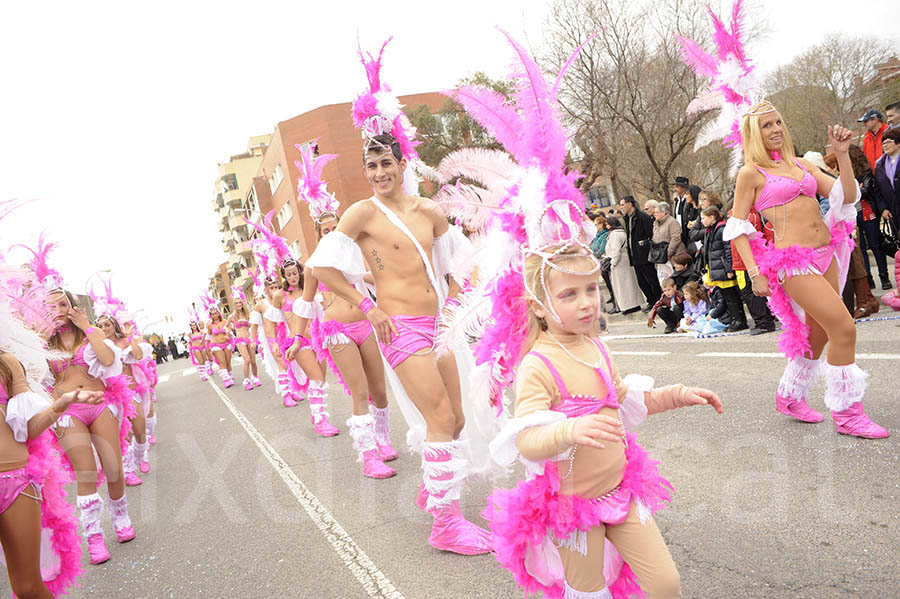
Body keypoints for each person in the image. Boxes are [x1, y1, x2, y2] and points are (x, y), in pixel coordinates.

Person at [310, 38, 498, 555]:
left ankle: (437, 491)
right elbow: (322, 266)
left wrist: (459, 305)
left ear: (401, 160)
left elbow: (457, 265)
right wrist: (368, 306)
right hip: (400, 330)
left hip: (438, 328)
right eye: (370, 167)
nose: (378, 174)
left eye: (385, 164)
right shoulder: (361, 215)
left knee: (455, 420)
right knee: (439, 420)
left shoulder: (431, 211)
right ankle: (446, 524)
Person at [486, 243, 722, 598]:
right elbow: (527, 440)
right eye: (568, 294)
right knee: (589, 592)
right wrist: (569, 429)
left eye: (591, 289)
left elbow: (623, 402)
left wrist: (677, 395)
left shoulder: (597, 347)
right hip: (572, 506)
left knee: (665, 583)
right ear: (538, 306)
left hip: (621, 491)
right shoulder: (539, 364)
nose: (585, 302)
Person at [728, 101, 888, 438]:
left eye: (777, 123)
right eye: (766, 126)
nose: (775, 130)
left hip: (825, 253)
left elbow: (847, 195)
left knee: (816, 333)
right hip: (792, 262)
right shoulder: (751, 173)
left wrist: (842, 154)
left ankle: (789, 395)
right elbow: (737, 226)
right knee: (843, 328)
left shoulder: (801, 164)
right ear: (754, 135)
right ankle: (847, 415)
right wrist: (756, 271)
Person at [294, 143, 396, 476]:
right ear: (318, 233)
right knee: (361, 390)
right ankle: (368, 456)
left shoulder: (354, 253)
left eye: (334, 229)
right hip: (337, 332)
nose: (330, 234)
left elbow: (376, 276)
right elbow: (306, 304)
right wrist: (296, 337)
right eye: (324, 231)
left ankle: (382, 438)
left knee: (380, 390)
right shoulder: (312, 266)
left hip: (366, 325)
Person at [726, 202, 776, 335]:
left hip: (746, 263)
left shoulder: (750, 217)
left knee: (751, 294)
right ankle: (762, 320)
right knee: (748, 293)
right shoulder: (741, 217)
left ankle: (764, 322)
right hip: (740, 263)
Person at [848, 145, 891, 290]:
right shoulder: (845, 174)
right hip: (853, 214)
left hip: (868, 212)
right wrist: (856, 189)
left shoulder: (865, 171)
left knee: (876, 245)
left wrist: (855, 190)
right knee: (860, 249)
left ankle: (884, 277)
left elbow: (865, 191)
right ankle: (868, 279)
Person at [700, 206, 747, 331]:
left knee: (732, 297)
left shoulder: (721, 229)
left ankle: (740, 320)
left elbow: (728, 250)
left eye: (704, 218)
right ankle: (734, 319)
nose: (702, 221)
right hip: (716, 268)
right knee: (727, 296)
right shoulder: (710, 230)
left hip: (723, 268)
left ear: (712, 217)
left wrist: (729, 269)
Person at [619, 196, 662, 309]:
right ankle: (651, 300)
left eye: (623, 204)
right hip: (634, 254)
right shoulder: (626, 219)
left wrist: (645, 245)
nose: (621, 207)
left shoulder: (642, 217)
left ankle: (658, 300)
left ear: (630, 204)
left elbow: (650, 234)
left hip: (644, 253)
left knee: (651, 279)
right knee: (641, 281)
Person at [605, 215, 644, 314]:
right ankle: (634, 303)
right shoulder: (622, 232)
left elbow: (616, 250)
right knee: (630, 283)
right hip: (625, 259)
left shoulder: (614, 235)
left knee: (622, 285)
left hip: (619, 262)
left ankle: (629, 305)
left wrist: (613, 263)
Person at [228, 288, 262, 390]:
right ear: (234, 304)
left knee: (253, 361)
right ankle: (246, 381)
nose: (239, 304)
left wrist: (254, 339)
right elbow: (226, 326)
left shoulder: (248, 314)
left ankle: (255, 377)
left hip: (249, 339)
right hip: (240, 340)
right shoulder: (232, 316)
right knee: (246, 360)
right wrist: (228, 330)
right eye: (237, 303)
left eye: (240, 302)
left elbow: (253, 326)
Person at [874, 127, 900, 236]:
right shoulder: (880, 165)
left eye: (888, 142)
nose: (885, 145)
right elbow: (878, 189)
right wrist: (883, 208)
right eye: (883, 143)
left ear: (898, 143)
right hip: (893, 211)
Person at [651, 202, 686, 282]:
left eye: (656, 212)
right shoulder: (656, 224)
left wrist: (668, 252)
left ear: (663, 213)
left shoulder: (672, 222)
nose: (654, 214)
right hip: (661, 258)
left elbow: (676, 238)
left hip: (673, 256)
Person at [590, 215, 618, 314]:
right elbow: (593, 248)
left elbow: (601, 249)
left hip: (604, 260)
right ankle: (613, 299)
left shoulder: (604, 235)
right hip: (599, 262)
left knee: (611, 284)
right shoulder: (596, 236)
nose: (595, 227)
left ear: (602, 224)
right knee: (607, 283)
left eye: (596, 224)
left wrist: (592, 253)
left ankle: (616, 303)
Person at [205, 305, 235, 389]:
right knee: (222, 362)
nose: (214, 315)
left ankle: (229, 376)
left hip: (226, 344)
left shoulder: (225, 321)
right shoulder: (209, 325)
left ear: (218, 313)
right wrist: (208, 347)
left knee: (228, 363)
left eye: (215, 313)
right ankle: (225, 380)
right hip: (216, 345)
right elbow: (209, 335)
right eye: (212, 314)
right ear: (210, 315)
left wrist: (227, 336)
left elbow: (229, 332)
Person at [672, 176, 700, 246]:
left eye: (677, 187)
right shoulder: (677, 200)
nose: (675, 189)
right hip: (680, 233)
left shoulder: (688, 201)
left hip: (690, 233)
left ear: (683, 187)